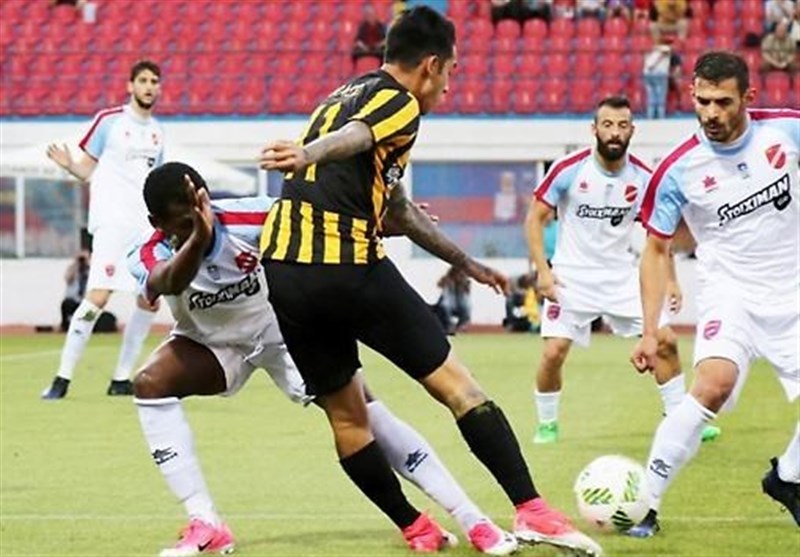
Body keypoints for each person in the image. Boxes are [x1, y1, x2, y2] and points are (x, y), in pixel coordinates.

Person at [258, 7, 601, 556]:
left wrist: (466, 262)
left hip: (285, 272)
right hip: (345, 263)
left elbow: (393, 206)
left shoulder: (341, 94)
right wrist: (307, 154)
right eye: (451, 71)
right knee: (459, 388)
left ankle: (416, 527)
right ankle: (532, 510)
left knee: (347, 415)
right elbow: (354, 138)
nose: (449, 85)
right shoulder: (400, 101)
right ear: (431, 64)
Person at [129, 162, 518, 556]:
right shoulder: (147, 251)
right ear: (156, 222)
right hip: (211, 343)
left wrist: (387, 223)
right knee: (150, 383)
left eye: (200, 212)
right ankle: (206, 522)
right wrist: (198, 236)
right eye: (181, 224)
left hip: (283, 331)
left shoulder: (257, 216)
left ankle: (472, 519)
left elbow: (327, 226)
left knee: (363, 413)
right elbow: (170, 281)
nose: (196, 224)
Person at [627, 51, 800, 537]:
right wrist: (649, 330)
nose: (710, 113)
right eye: (702, 101)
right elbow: (655, 250)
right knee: (713, 384)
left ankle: (788, 477)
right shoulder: (678, 168)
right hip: (731, 293)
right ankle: (646, 504)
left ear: (748, 96)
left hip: (793, 289)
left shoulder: (787, 131)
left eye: (723, 102)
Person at [524, 96, 720, 445]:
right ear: (594, 129)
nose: (615, 132)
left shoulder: (644, 177)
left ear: (632, 130)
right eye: (608, 125)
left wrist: (671, 280)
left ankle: (680, 418)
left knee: (665, 341)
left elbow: (658, 235)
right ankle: (547, 423)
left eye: (622, 125)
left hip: (622, 278)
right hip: (571, 278)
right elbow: (534, 219)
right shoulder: (569, 169)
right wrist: (543, 271)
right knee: (553, 352)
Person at [40, 59, 164, 400]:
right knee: (98, 297)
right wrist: (70, 166)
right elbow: (86, 170)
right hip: (112, 224)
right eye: (143, 80)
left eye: (154, 81)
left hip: (144, 228)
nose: (149, 86)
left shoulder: (158, 132)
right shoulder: (109, 121)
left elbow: (155, 182)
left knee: (149, 301)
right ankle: (62, 378)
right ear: (130, 86)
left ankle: (121, 378)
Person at [433, 265, 472, 334]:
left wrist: (463, 284)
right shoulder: (447, 279)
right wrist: (448, 283)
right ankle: (448, 325)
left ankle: (461, 325)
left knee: (467, 306)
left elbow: (467, 293)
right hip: (447, 304)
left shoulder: (465, 282)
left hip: (459, 304)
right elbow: (439, 285)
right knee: (445, 305)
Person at [643, 43, 671, 119]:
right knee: (658, 96)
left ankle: (652, 116)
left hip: (649, 74)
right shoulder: (662, 50)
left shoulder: (651, 53)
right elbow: (667, 50)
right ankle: (658, 116)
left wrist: (656, 48)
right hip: (658, 75)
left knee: (653, 96)